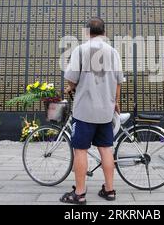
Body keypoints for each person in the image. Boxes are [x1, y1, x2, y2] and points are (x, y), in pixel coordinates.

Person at [60, 17, 124, 205]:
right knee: (106, 149)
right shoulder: (113, 52)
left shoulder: (80, 50)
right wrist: (116, 102)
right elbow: (119, 81)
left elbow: (72, 80)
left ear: (88, 32)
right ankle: (110, 190)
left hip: (84, 111)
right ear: (104, 32)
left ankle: (79, 194)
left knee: (80, 150)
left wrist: (71, 87)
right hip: (105, 111)